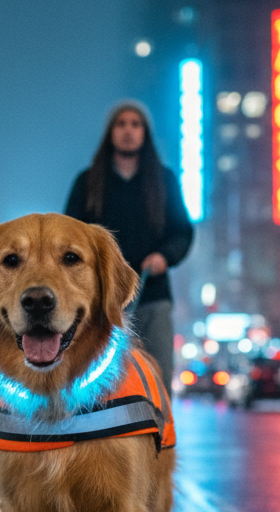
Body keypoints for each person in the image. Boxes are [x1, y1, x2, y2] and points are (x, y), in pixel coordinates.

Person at [65, 101, 193, 392]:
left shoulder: (164, 180)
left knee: (157, 377)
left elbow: (182, 232)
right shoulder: (87, 182)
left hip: (153, 297)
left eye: (136, 124)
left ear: (145, 134)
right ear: (110, 132)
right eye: (121, 124)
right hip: (100, 302)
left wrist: (165, 256)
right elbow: (68, 237)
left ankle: (159, 437)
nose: (128, 130)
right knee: (101, 382)